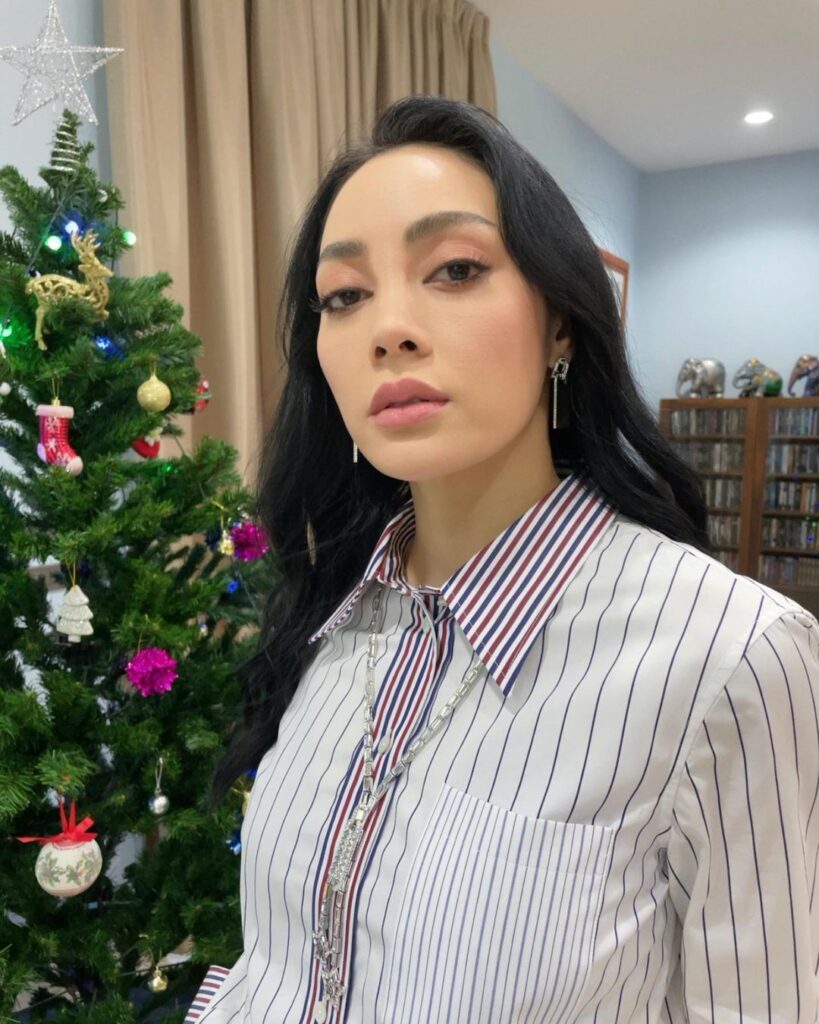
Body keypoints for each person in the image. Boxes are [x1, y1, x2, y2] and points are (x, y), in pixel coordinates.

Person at [185, 95, 819, 1023]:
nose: (387, 328)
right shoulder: (333, 613)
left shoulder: (731, 658)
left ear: (560, 322)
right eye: (344, 295)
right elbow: (279, 970)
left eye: (454, 269)